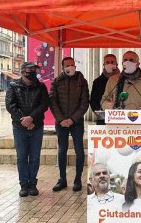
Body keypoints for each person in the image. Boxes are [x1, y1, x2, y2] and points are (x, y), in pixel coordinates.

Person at [5, 62, 50, 197]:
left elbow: (44, 104)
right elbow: (10, 106)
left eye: (34, 70)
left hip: (36, 126)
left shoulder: (41, 86)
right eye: (30, 70)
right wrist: (24, 120)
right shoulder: (13, 86)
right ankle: (23, 184)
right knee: (22, 156)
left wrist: (31, 118)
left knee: (35, 157)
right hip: (19, 127)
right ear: (23, 71)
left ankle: (32, 184)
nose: (32, 72)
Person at [50, 57, 89, 192]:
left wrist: (72, 119)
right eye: (67, 65)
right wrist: (61, 120)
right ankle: (62, 179)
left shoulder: (82, 81)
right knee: (62, 150)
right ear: (62, 67)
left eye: (73, 64)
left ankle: (77, 179)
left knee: (79, 150)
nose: (71, 67)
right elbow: (53, 102)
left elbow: (84, 103)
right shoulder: (56, 81)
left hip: (76, 122)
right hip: (61, 123)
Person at [90, 54, 120, 124]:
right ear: (104, 65)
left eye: (112, 62)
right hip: (103, 119)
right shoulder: (97, 82)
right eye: (107, 62)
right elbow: (93, 101)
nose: (110, 64)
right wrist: (101, 114)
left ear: (117, 64)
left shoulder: (124, 80)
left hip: (121, 118)